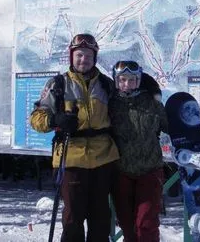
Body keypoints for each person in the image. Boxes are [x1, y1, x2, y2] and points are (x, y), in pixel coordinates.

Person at [30, 33, 119, 242]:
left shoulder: (107, 85)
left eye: (88, 55)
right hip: (70, 158)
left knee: (101, 218)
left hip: (103, 159)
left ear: (94, 58)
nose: (83, 60)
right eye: (79, 55)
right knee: (72, 218)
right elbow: (36, 118)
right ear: (71, 56)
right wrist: (56, 121)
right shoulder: (58, 84)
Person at [109, 60, 168, 242]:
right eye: (122, 79)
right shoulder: (110, 104)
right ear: (116, 80)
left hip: (149, 170)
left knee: (146, 224)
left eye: (132, 79)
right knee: (127, 226)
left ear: (139, 80)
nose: (127, 84)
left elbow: (168, 125)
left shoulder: (151, 102)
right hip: (121, 171)